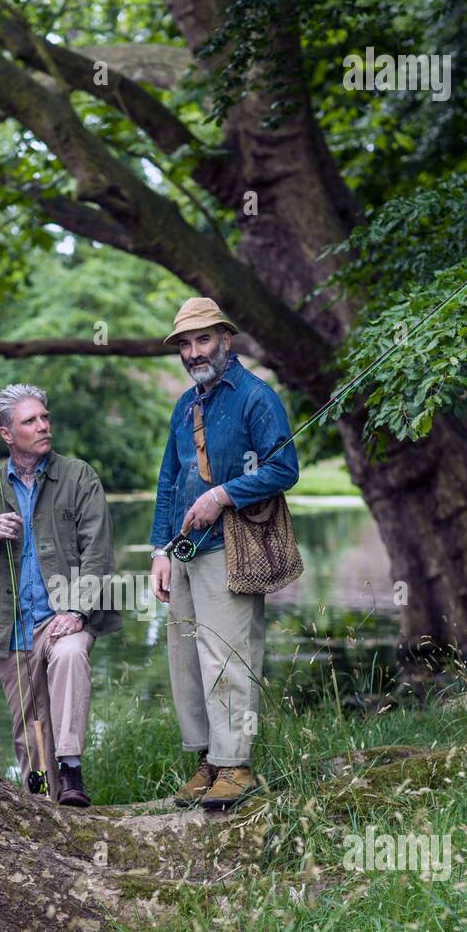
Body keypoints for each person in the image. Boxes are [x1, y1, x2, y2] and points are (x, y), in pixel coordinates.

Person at [149, 297, 300, 810]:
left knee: (228, 658)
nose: (194, 351)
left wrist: (222, 495)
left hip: (230, 547)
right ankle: (207, 763)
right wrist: (159, 550)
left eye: (203, 339)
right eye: (186, 344)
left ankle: (236, 766)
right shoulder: (184, 404)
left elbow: (285, 470)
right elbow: (168, 479)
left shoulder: (257, 397)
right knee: (187, 661)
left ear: (226, 340)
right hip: (183, 551)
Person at [0, 382, 121, 806]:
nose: (43, 426)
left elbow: (98, 552)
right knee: (30, 730)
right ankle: (46, 803)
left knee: (69, 655)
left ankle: (71, 770)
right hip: (10, 625)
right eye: (31, 421)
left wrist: (78, 612)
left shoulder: (79, 476)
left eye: (45, 417)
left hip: (65, 614)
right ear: (7, 434)